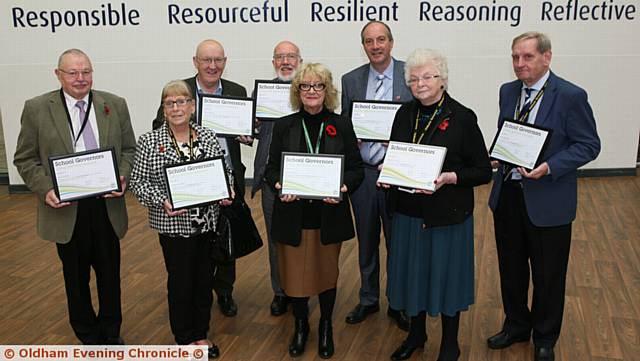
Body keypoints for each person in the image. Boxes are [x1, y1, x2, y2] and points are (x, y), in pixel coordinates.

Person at [487, 32, 600, 361]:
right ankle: (516, 324)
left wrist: (550, 166)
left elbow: (589, 145)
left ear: (547, 57)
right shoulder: (508, 91)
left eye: (527, 57)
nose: (520, 64)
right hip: (508, 193)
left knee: (549, 274)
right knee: (511, 268)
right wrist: (498, 155)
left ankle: (545, 337)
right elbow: (509, 134)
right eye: (515, 57)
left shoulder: (570, 96)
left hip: (548, 198)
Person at [13, 49, 136, 345]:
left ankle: (111, 331)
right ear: (58, 74)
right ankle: (87, 334)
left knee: (110, 276)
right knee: (75, 277)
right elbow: (25, 159)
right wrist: (46, 189)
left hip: (106, 204)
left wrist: (122, 176)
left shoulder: (114, 104)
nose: (81, 79)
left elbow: (130, 150)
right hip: (66, 209)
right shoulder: (37, 108)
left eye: (86, 72)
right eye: (73, 72)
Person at [381, 48, 492, 361]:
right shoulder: (404, 114)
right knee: (412, 276)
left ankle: (449, 344)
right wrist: (389, 175)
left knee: (446, 281)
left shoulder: (463, 117)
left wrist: (450, 177)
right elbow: (396, 155)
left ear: (442, 79)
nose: (420, 83)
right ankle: (416, 335)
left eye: (428, 76)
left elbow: (482, 170)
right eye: (414, 78)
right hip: (407, 213)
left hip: (447, 215)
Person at [265, 63, 364, 358]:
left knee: (326, 275)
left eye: (318, 85)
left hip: (328, 214)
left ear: (327, 90)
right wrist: (281, 184)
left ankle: (324, 326)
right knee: (294, 278)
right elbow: (271, 169)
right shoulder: (285, 125)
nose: (311, 91)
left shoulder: (341, 124)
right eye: (305, 86)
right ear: (298, 92)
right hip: (293, 214)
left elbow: (356, 168)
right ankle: (300, 325)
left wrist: (343, 188)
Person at [130, 80, 234, 358]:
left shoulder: (207, 135)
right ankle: (184, 338)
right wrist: (161, 201)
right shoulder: (150, 141)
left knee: (203, 282)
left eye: (182, 101)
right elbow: (138, 183)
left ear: (192, 105)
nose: (177, 108)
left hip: (207, 224)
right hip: (174, 226)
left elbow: (225, 170)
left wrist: (229, 188)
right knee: (180, 283)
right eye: (170, 103)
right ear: (164, 109)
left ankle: (201, 334)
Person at [152, 39, 250, 317]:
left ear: (225, 62)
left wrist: (244, 132)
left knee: (226, 238)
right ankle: (198, 293)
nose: (212, 65)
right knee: (196, 245)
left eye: (218, 60)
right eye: (206, 60)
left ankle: (225, 291)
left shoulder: (236, 91)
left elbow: (243, 130)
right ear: (195, 62)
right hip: (190, 184)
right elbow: (158, 125)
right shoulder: (179, 90)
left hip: (227, 180)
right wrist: (187, 123)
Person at [340, 20, 413, 331]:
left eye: (381, 39)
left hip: (398, 174)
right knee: (367, 240)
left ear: (391, 43)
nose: (375, 46)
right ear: (364, 46)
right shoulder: (351, 80)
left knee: (399, 242)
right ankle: (369, 299)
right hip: (365, 175)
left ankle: (399, 302)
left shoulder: (411, 74)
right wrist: (350, 137)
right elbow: (344, 122)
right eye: (369, 41)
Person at [251, 40, 302, 316]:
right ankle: (280, 292)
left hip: (308, 179)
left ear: (300, 61)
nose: (285, 62)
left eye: (291, 57)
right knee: (275, 239)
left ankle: (302, 290)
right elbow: (253, 131)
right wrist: (252, 124)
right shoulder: (263, 92)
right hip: (273, 178)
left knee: (304, 239)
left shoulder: (311, 89)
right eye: (280, 57)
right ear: (273, 62)